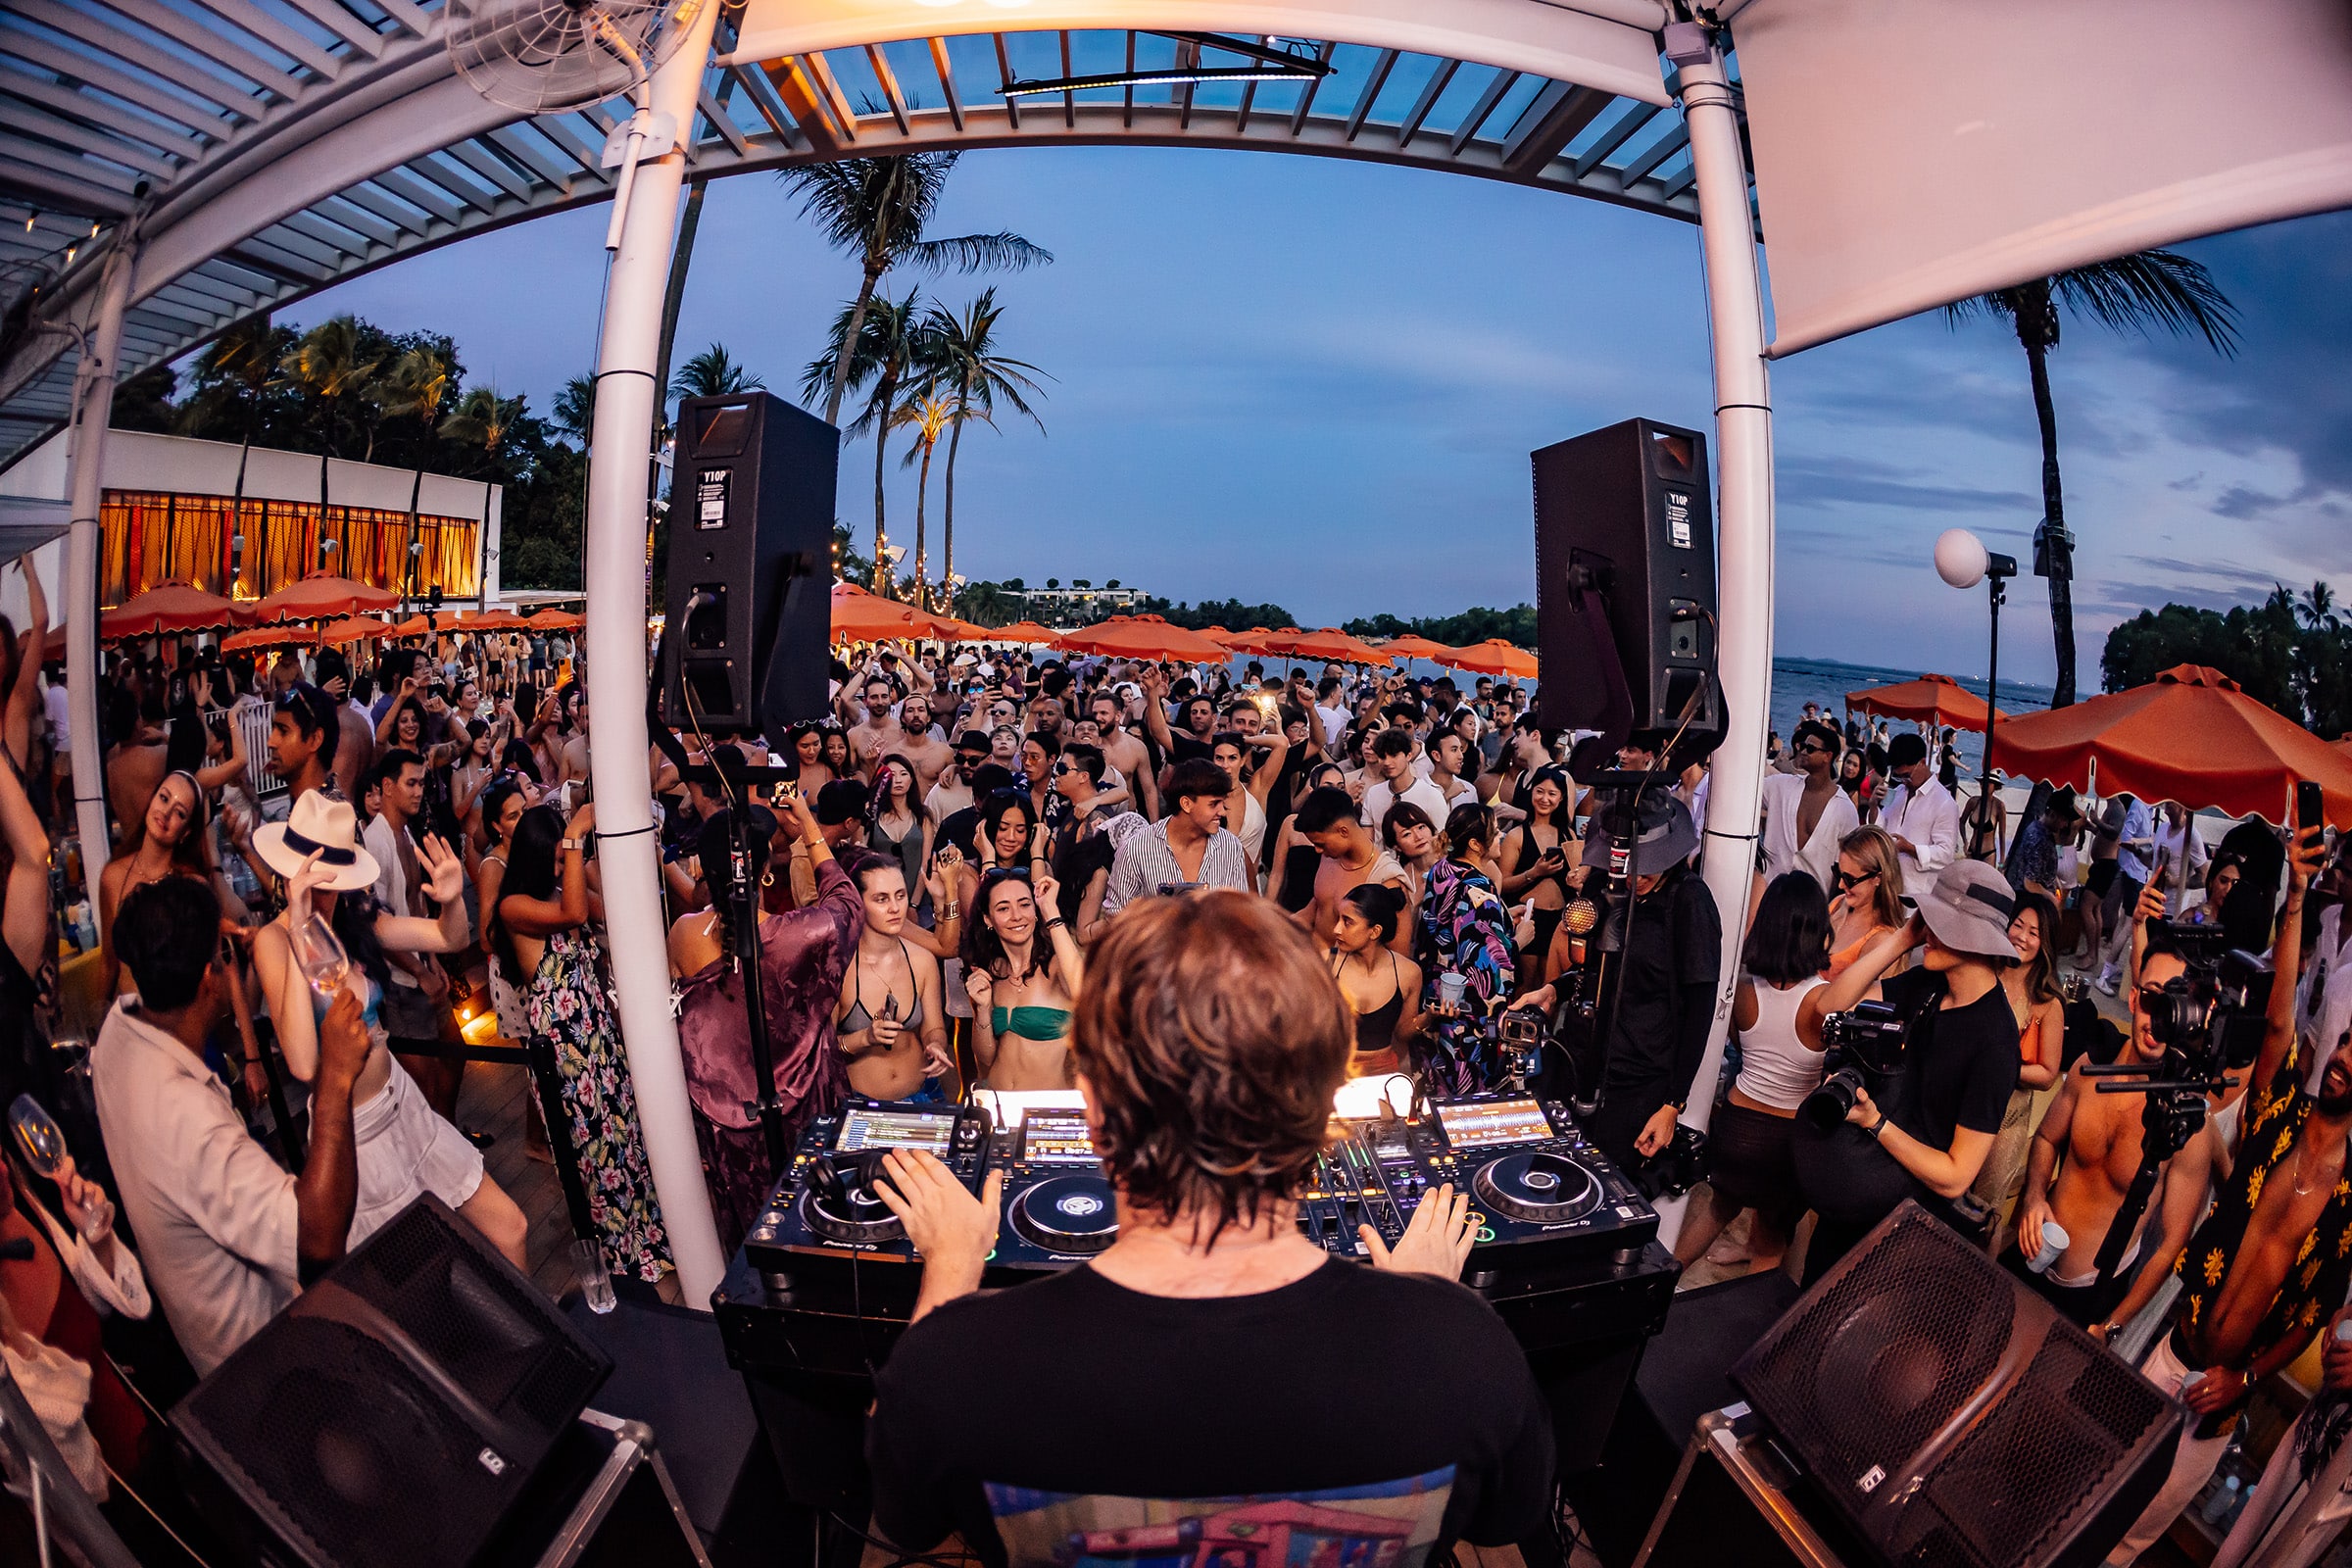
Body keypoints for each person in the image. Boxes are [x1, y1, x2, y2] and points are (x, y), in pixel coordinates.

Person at [864, 892, 1553, 1568]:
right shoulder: (1466, 1350)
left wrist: (951, 1272)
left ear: (1093, 1114)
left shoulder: (951, 1367)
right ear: (1327, 1113)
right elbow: (1504, 1520)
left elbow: (908, 1520)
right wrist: (1422, 1316)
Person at [2104, 828, 2349, 1564]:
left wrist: (2244, 1378)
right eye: (2341, 1050)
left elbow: (2312, 1316)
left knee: (2130, 1543)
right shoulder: (2276, 1118)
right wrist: (2298, 897)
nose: (2340, 1066)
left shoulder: (2349, 1202)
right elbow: (2278, 1020)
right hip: (2164, 1347)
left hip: (2221, 1401)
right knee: (2087, 1486)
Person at [91, 876, 366, 1375]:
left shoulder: (116, 1032)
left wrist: (190, 923)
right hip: (263, 1360)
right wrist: (336, 1080)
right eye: (220, 956)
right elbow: (320, 1236)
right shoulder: (186, 1121)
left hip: (203, 1333)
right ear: (208, 979)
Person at [247, 792, 527, 1264]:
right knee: (423, 1279)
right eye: (316, 881)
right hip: (356, 1139)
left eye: (335, 882)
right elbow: (300, 1061)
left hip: (404, 1105)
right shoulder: (272, 942)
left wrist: (453, 899)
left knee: (512, 1228)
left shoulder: (356, 922)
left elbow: (447, 937)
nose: (328, 894)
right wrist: (299, 928)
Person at [1788, 859, 2023, 1284]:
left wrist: (1876, 1124)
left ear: (1977, 939)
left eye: (1940, 922)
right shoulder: (1926, 986)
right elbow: (1829, 1005)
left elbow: (1955, 1177)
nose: (1926, 928)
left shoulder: (1995, 1040)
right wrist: (1900, 941)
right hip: (1856, 1200)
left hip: (1902, 1231)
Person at [667, 795, 862, 1254]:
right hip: (802, 1112)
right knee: (818, 1223)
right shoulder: (797, 934)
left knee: (762, 1233)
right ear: (765, 873)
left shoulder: (682, 934)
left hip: (729, 1125)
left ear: (705, 871)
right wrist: (810, 824)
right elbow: (847, 904)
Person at [494, 802, 670, 1282]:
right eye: (554, 858)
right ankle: (620, 1253)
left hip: (598, 1039)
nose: (561, 865)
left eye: (563, 857)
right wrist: (573, 836)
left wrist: (593, 857)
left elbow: (608, 910)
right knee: (595, 1153)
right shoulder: (513, 907)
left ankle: (647, 1234)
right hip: (566, 1053)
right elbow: (574, 912)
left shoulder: (559, 887)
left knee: (625, 1138)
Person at [1512, 796, 1720, 1176]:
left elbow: (1700, 1008)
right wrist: (1555, 989)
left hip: (1638, 1081)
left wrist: (1673, 1104)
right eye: (1628, 869)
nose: (1636, 878)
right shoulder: (1603, 891)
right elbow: (1593, 971)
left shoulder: (1688, 900)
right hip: (1577, 1062)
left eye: (1648, 869)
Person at [1673, 872, 1832, 1276]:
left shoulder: (1744, 988)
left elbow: (1742, 1049)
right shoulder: (1822, 1000)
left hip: (1737, 1126)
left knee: (1717, 1209)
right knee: (1771, 1243)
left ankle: (1660, 1280)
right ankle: (1753, 1326)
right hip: (1785, 1138)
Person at [1969, 890, 2065, 1248]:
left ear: (2045, 943)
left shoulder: (2047, 1004)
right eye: (2018, 925)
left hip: (2006, 1123)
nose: (2021, 936)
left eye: (2034, 932)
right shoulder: (1981, 974)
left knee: (1986, 1212)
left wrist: (2005, 1067)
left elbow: (2048, 1073)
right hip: (1963, 1103)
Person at [835, 855, 955, 1101]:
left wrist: (936, 1045)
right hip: (861, 1102)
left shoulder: (922, 960)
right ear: (858, 902)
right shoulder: (840, 968)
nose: (894, 908)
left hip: (923, 1095)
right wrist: (865, 1037)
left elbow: (934, 1027)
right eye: (881, 899)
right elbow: (820, 1050)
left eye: (900, 896)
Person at [964, 863, 1084, 1090]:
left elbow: (1083, 992)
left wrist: (1051, 913)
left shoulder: (1058, 966)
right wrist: (981, 1010)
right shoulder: (992, 970)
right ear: (988, 919)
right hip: (998, 1101)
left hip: (1046, 1111)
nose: (1017, 916)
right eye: (1003, 909)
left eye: (1024, 904)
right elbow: (986, 1060)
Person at [1102, 759, 1250, 914]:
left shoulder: (1230, 846)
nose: (1223, 812)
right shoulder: (1136, 849)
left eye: (1223, 804)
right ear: (1186, 804)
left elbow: (1238, 912)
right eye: (1214, 804)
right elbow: (1117, 915)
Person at [1294, 783, 1409, 949]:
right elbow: (1316, 907)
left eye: (1321, 844)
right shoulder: (1329, 856)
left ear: (1343, 832)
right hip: (1312, 963)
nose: (1318, 850)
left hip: (1348, 972)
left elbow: (1398, 955)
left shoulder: (1386, 880)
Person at [1330, 884, 1424, 1079]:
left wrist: (1428, 1018)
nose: (1336, 929)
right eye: (1338, 919)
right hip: (1336, 1072)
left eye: (1347, 922)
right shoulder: (1327, 964)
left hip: (1383, 1074)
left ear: (1374, 931)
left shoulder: (1408, 973)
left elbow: (1402, 1034)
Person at [1758, 720, 1859, 893]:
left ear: (1828, 756)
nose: (1803, 751)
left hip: (1813, 904)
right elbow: (1746, 790)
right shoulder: (1782, 786)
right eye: (1803, 746)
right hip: (1771, 894)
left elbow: (1846, 866)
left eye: (1810, 749)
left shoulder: (1845, 809)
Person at [1497, 767, 1580, 978]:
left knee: (1550, 985)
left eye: (1552, 794)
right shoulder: (1517, 836)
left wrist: (1576, 879)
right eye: (1540, 791)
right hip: (1530, 917)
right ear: (1532, 793)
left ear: (1561, 798)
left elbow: (1579, 872)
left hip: (1560, 919)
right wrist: (1534, 873)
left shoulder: (1568, 833)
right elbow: (1502, 884)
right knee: (1526, 981)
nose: (1545, 799)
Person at [2091, 794, 2156, 996]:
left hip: (2136, 872)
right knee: (2130, 925)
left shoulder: (2150, 808)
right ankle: (2106, 974)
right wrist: (2150, 840)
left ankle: (2111, 967)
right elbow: (2126, 839)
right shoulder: (2139, 806)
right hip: (2134, 872)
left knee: (2122, 922)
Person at [1877, 732, 1958, 892]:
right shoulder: (1899, 791)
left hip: (1916, 893)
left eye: (1907, 775)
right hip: (1887, 887)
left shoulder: (1944, 802)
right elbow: (1879, 827)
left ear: (1922, 763)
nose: (1904, 781)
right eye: (1898, 777)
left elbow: (1946, 854)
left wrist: (1910, 849)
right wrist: (1873, 805)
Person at [1827, 825, 1905, 978]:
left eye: (1850, 879)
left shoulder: (1882, 941)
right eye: (1839, 873)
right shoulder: (1837, 904)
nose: (1841, 885)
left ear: (1878, 878)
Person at [1360, 727, 1448, 836]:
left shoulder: (1432, 795)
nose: (1387, 762)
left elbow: (1441, 842)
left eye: (1394, 755)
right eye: (1382, 756)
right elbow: (1367, 840)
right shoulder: (1373, 794)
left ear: (1409, 756)